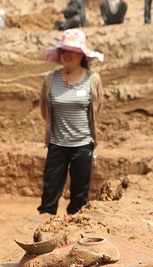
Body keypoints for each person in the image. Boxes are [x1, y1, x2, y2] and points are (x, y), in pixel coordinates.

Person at [38, 29, 104, 215]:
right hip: (57, 145)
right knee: (49, 192)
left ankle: (74, 233)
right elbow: (45, 110)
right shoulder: (50, 79)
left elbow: (96, 109)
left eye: (72, 51)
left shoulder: (93, 79)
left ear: (82, 55)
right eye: (64, 50)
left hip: (83, 146)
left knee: (79, 196)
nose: (67, 54)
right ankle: (45, 233)